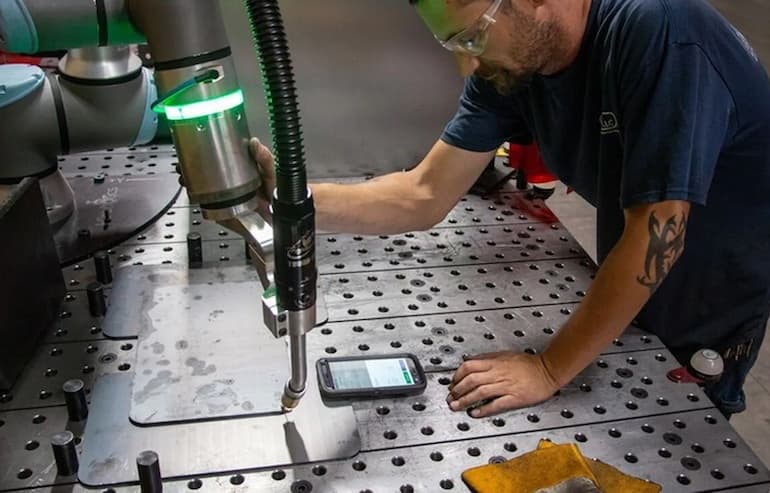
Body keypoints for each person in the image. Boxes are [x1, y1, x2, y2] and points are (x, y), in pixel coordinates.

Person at [250, 0, 770, 418]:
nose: (466, 63)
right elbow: (424, 193)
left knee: (678, 433)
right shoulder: (513, 68)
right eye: (451, 43)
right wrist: (288, 200)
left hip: (710, 292)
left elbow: (659, 233)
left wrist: (548, 369)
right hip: (630, 272)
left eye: (472, 35)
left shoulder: (660, 30)